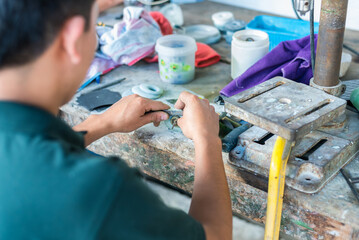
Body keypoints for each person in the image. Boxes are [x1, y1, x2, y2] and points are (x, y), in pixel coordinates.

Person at [0, 0, 232, 239]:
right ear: (72, 39)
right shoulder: (100, 187)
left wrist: (103, 122)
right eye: (95, 29)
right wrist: (206, 140)